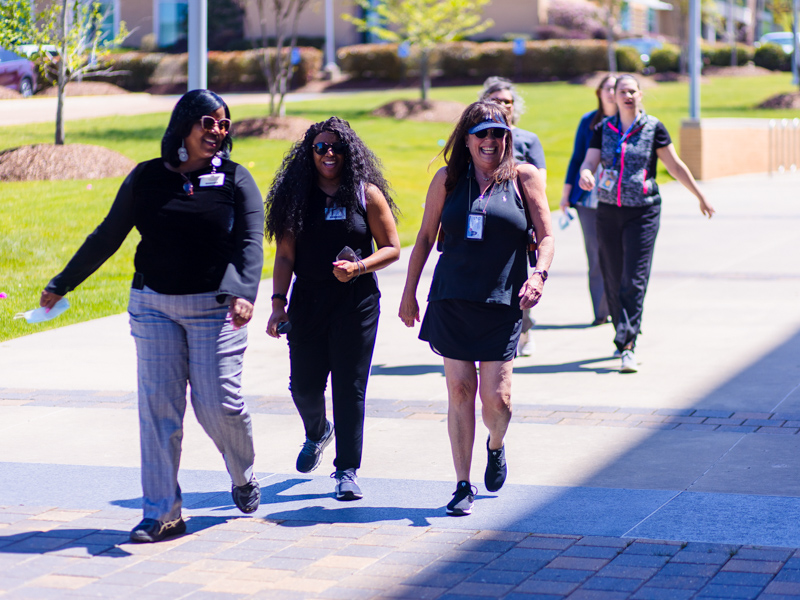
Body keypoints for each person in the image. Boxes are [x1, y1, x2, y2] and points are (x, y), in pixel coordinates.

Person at [40, 89, 265, 542]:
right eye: (208, 122)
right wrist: (62, 283)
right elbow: (108, 236)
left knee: (219, 406)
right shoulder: (145, 178)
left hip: (214, 310)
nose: (217, 132)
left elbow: (250, 240)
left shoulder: (235, 179)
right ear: (183, 124)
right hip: (153, 306)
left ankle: (241, 473)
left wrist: (243, 292)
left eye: (224, 124)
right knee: (160, 410)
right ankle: (163, 512)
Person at [399, 101, 554, 516]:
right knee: (460, 391)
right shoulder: (449, 180)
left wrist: (538, 274)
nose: (490, 141)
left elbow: (547, 236)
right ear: (466, 139)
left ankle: (496, 444)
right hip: (452, 298)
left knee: (497, 400)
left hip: (502, 301)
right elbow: (425, 236)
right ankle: (462, 484)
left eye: (498, 133)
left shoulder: (524, 178)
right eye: (482, 133)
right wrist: (409, 291)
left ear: (508, 137)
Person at [265, 117, 400, 501]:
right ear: (309, 153)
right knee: (304, 386)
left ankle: (347, 471)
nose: (329, 154)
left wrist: (358, 267)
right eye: (321, 147)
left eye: (337, 148)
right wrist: (278, 304)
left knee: (349, 388)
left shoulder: (365, 194)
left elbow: (391, 247)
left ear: (349, 153)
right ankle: (317, 431)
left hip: (355, 304)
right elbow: (286, 255)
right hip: (307, 302)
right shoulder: (298, 196)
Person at [578, 74, 714, 373]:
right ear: (612, 96)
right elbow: (589, 162)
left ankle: (627, 344)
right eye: (621, 91)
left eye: (631, 91)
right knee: (612, 276)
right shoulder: (603, 129)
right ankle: (624, 330)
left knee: (634, 278)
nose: (626, 95)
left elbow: (674, 165)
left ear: (640, 94)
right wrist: (586, 174)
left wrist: (700, 196)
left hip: (643, 212)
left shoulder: (654, 128)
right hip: (608, 210)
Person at [479, 76, 547, 355]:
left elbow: (540, 179)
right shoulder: (478, 138)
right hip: (483, 218)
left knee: (517, 276)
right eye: (497, 101)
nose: (503, 105)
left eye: (507, 101)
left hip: (518, 217)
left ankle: (523, 326)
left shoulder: (527, 139)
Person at [560, 74, 617, 327]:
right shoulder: (588, 122)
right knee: (595, 255)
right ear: (599, 92)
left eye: (617, 88)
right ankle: (601, 312)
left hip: (618, 199)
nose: (612, 93)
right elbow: (576, 158)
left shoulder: (630, 122)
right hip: (588, 200)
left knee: (619, 255)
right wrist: (566, 195)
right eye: (608, 88)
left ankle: (619, 307)